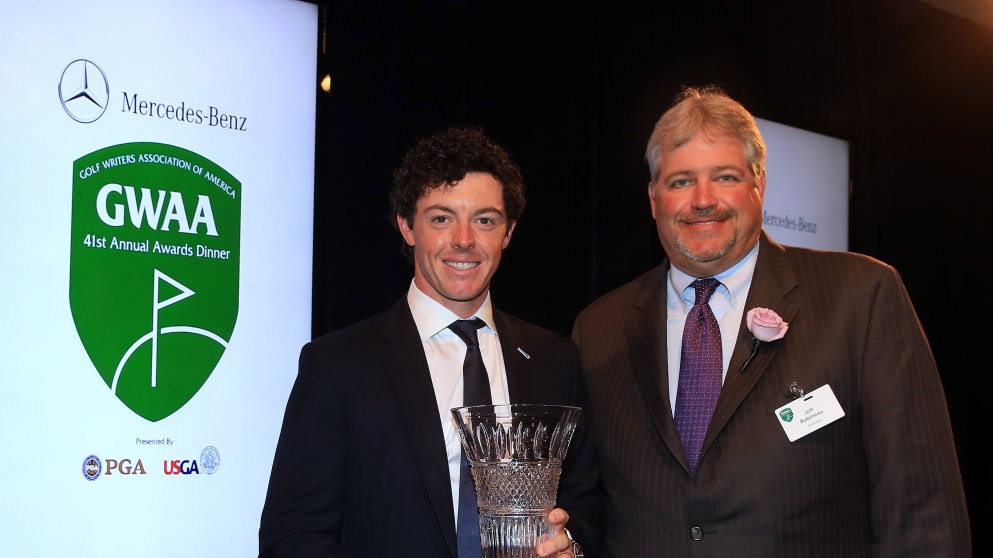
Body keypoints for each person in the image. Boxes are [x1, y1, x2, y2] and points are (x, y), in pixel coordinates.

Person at [571, 85, 971, 556]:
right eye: (680, 181)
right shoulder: (596, 328)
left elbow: (921, 507)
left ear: (759, 185)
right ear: (654, 198)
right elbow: (587, 502)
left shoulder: (861, 296)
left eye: (724, 177)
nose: (702, 199)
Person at [259, 125, 602, 557]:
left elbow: (587, 501)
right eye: (441, 218)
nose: (464, 239)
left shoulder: (556, 359)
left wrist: (571, 542)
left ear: (508, 232)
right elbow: (293, 536)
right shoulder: (337, 365)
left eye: (484, 220)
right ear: (407, 226)